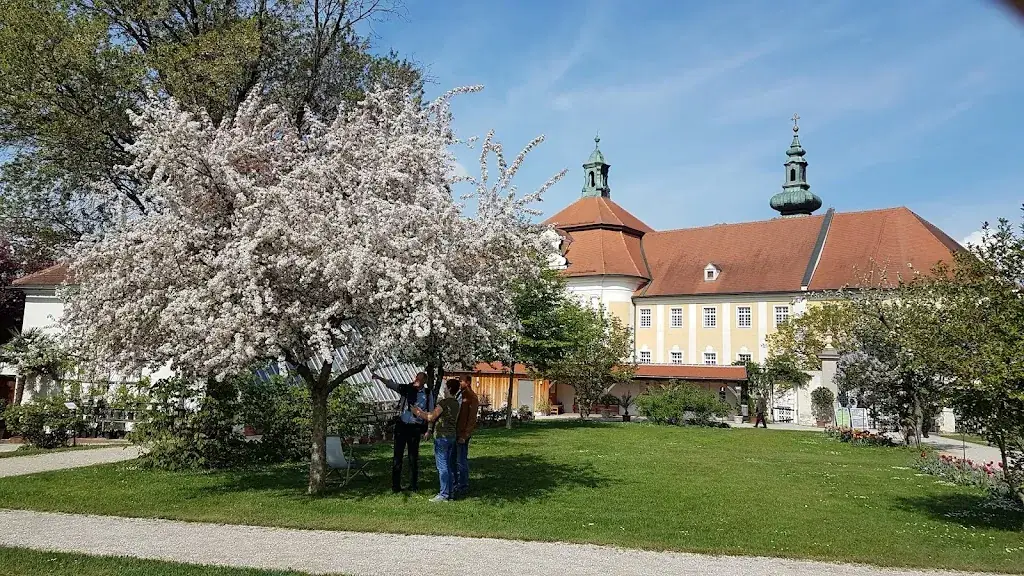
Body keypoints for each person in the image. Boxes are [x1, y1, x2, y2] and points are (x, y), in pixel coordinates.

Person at [373, 371, 432, 493]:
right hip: (402, 426)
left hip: (415, 427)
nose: (416, 381)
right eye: (416, 378)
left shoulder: (427, 394)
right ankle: (396, 486)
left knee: (413, 457)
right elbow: (392, 384)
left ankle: (413, 485)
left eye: (419, 379)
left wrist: (429, 429)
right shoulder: (406, 389)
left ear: (424, 382)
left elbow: (431, 414)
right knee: (397, 456)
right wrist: (379, 377)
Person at [413, 378, 461, 502]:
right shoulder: (456, 403)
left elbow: (431, 417)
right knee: (449, 466)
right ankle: (450, 493)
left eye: (445, 387)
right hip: (452, 436)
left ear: (449, 389)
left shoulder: (444, 403)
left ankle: (443, 494)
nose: (444, 389)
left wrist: (417, 412)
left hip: (442, 438)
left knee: (442, 467)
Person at [454, 374, 479, 498]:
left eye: (461, 381)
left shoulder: (472, 397)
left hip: (463, 433)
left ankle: (463, 484)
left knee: (461, 460)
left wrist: (466, 434)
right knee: (454, 459)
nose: (460, 383)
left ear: (468, 382)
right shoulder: (460, 394)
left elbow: (472, 419)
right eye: (459, 381)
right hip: (455, 431)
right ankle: (455, 482)